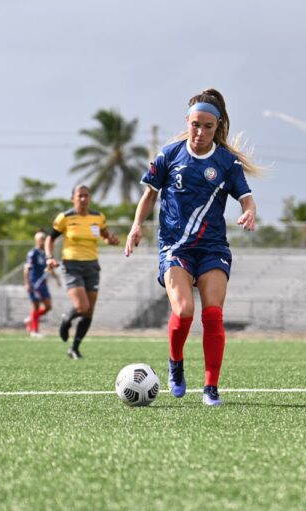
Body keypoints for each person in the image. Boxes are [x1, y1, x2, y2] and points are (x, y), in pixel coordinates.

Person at [124, 88, 259, 407]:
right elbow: (149, 196)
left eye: (207, 126)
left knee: (213, 314)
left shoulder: (227, 162)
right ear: (188, 122)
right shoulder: (168, 156)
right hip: (175, 248)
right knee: (184, 310)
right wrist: (136, 225)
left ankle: (211, 388)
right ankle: (175, 363)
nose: (200, 132)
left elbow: (246, 198)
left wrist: (249, 211)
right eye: (195, 124)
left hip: (212, 249)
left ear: (217, 127)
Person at [44, 184, 119, 360]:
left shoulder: (98, 217)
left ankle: (74, 348)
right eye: (80, 196)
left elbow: (105, 236)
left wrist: (112, 240)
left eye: (86, 195)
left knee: (89, 312)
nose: (83, 199)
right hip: (72, 265)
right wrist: (49, 257)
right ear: (73, 199)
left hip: (92, 266)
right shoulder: (65, 217)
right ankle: (66, 320)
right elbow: (50, 239)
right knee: (81, 307)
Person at [24, 229, 59, 337]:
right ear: (36, 241)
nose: (43, 241)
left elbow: (48, 268)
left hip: (43, 283)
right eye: (40, 239)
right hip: (35, 283)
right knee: (36, 306)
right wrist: (27, 284)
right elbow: (26, 269)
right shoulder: (32, 253)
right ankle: (35, 331)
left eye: (44, 239)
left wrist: (56, 278)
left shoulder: (45, 254)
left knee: (48, 306)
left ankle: (31, 319)